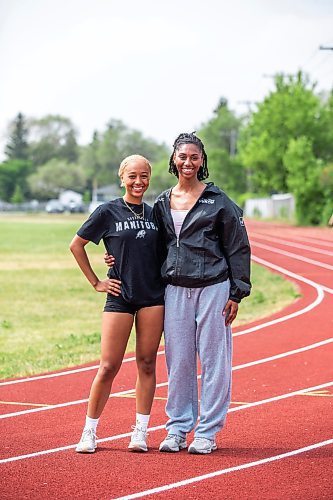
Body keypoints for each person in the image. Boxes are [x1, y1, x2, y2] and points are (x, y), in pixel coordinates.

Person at [153, 132, 252, 454]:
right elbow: (151, 246)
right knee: (178, 362)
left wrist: (237, 292)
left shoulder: (218, 201)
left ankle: (207, 432)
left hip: (214, 287)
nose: (188, 163)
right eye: (182, 156)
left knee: (214, 362)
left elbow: (238, 248)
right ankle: (178, 429)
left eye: (194, 157)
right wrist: (114, 259)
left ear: (202, 161)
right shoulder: (162, 202)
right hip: (175, 289)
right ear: (173, 159)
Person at [70, 154, 165, 454]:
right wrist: (97, 282)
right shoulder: (107, 211)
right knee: (108, 366)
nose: (139, 182)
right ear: (122, 177)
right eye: (133, 176)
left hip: (152, 296)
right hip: (119, 296)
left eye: (144, 176)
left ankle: (140, 431)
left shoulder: (156, 214)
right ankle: (89, 432)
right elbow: (76, 245)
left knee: (147, 363)